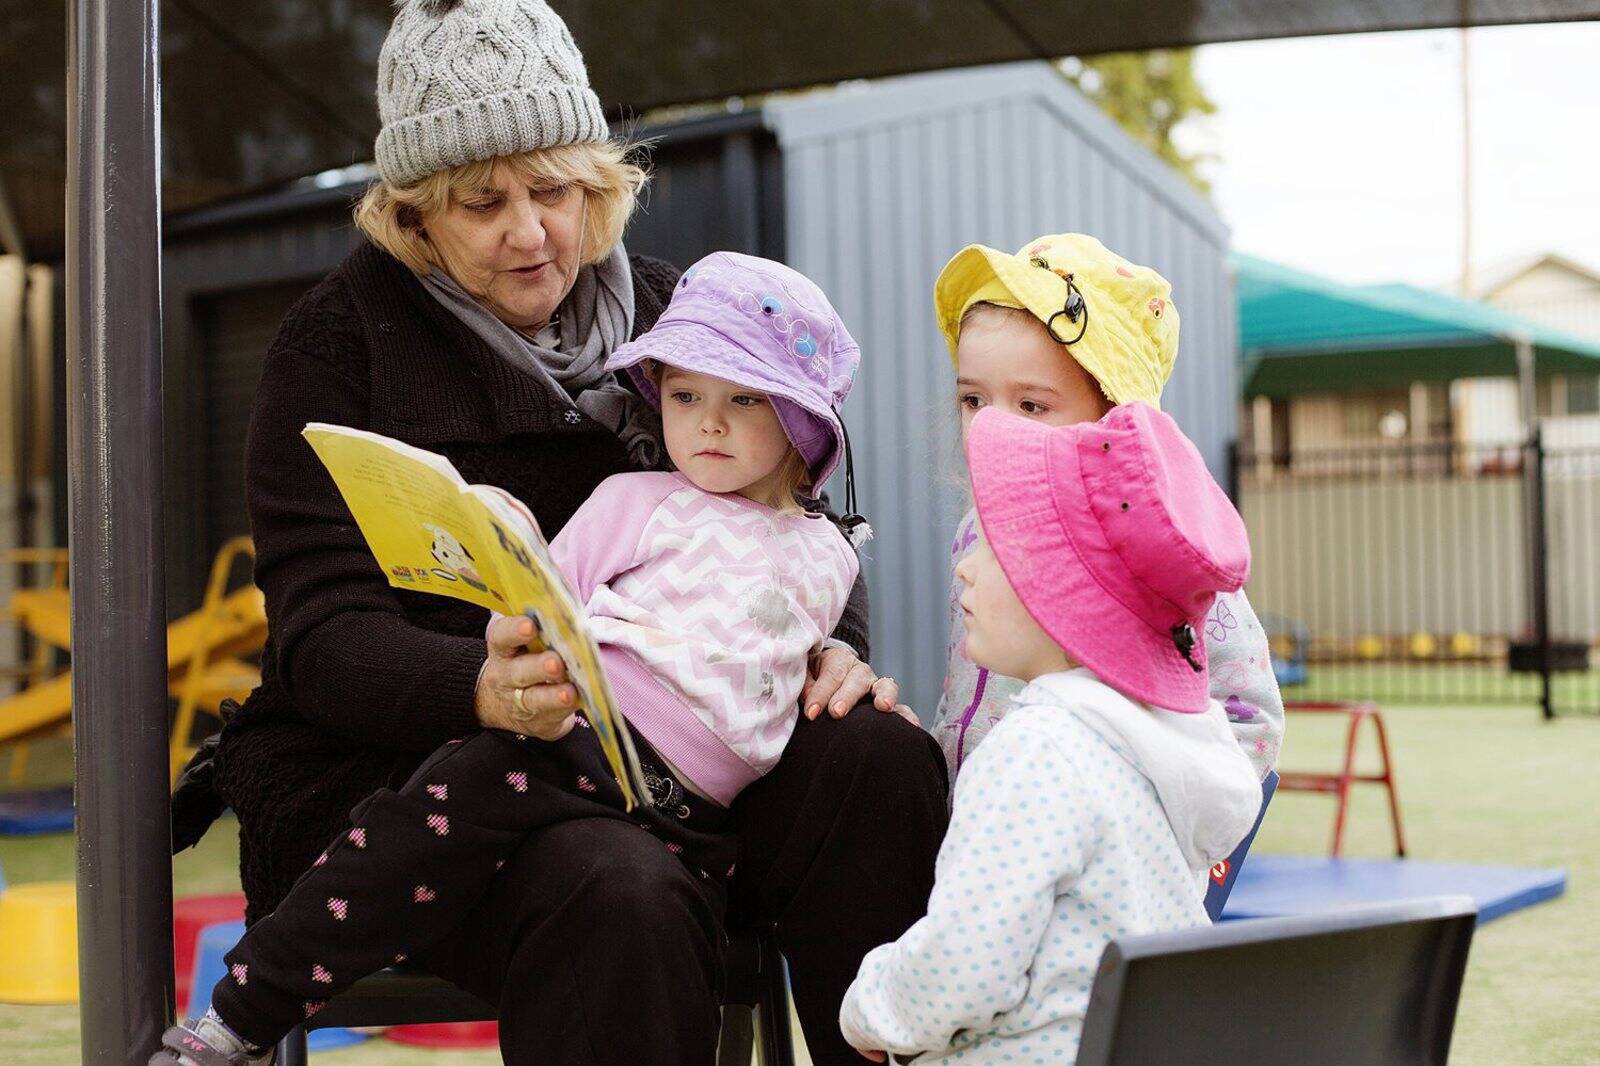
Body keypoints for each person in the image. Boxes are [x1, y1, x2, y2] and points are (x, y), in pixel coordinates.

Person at [174, 3, 948, 1061]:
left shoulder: (685, 318)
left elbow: (796, 507)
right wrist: (478, 687)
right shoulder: (334, 345)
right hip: (405, 777)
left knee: (883, 760)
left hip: (685, 754)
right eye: (482, 202)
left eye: (555, 190)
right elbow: (321, 637)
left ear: (601, 183)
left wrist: (836, 652)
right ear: (412, 215)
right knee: (616, 885)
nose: (531, 231)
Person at [840, 403, 1264, 1063]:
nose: (964, 569)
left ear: (1071, 589)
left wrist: (872, 1006)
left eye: (993, 546)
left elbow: (961, 967)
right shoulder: (1156, 750)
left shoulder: (1038, 750)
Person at [926, 234, 1284, 785]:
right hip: (980, 823)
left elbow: (1247, 719)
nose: (991, 425)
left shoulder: (1153, 546)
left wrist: (1126, 800)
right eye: (973, 399)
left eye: (1031, 405)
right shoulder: (975, 530)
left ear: (1110, 415)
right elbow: (966, 692)